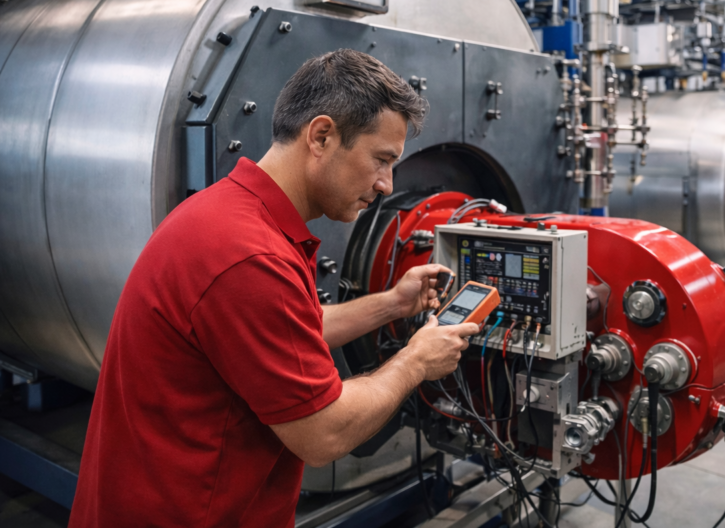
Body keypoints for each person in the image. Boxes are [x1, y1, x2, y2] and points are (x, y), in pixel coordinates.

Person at [70, 49, 481, 527]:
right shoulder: (250, 257)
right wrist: (416, 361)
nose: (387, 184)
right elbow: (323, 435)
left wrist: (392, 305)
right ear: (322, 136)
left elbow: (288, 333)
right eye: (381, 160)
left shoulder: (231, 213)